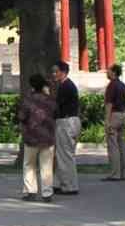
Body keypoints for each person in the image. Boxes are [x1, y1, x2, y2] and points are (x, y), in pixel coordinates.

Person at [18, 73, 56, 202]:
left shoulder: (28, 100)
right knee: (47, 165)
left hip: (31, 136)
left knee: (29, 164)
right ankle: (47, 192)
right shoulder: (50, 100)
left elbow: (22, 117)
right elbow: (56, 113)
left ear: (31, 85)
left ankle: (30, 191)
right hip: (48, 136)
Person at [52, 60, 81, 195]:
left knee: (65, 155)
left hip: (66, 122)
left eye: (56, 71)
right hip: (71, 121)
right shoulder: (68, 85)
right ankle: (58, 182)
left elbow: (57, 107)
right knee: (62, 154)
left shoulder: (65, 86)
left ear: (63, 72)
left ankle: (70, 185)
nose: (54, 74)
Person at [103, 63, 125, 181]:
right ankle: (124, 173)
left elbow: (109, 104)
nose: (106, 72)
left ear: (113, 72)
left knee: (113, 145)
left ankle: (114, 174)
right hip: (123, 115)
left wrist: (107, 121)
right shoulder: (123, 85)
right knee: (122, 145)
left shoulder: (111, 85)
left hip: (114, 115)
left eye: (108, 70)